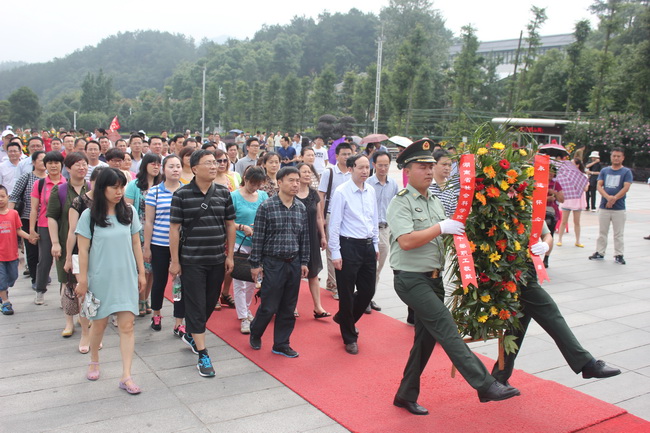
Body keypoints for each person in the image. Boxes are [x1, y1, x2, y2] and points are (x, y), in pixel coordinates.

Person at [387, 139, 521, 415]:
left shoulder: (435, 200)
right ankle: (485, 384)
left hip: (433, 280)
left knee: (424, 342)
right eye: (422, 166)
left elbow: (446, 233)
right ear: (407, 171)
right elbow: (407, 242)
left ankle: (405, 394)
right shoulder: (401, 203)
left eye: (430, 166)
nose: (428, 171)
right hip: (410, 280)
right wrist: (440, 227)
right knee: (446, 327)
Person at [491, 220, 621, 388]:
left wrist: (545, 245)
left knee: (518, 324)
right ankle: (586, 363)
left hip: (528, 270)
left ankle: (499, 376)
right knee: (549, 311)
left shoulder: (528, 201)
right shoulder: (500, 200)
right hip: (510, 272)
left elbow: (547, 234)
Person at [75, 168, 146, 394]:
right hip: (100, 278)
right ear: (101, 188)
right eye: (113, 187)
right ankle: (94, 359)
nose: (119, 191)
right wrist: (83, 280)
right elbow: (83, 250)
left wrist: (141, 273)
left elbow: (136, 244)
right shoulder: (89, 216)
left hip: (126, 277)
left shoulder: (130, 212)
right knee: (100, 324)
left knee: (127, 325)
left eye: (121, 186)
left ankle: (126, 375)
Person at [169, 150, 236, 377]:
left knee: (208, 303)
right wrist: (175, 261)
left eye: (215, 163)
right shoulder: (182, 195)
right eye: (208, 163)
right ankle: (203, 354)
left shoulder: (224, 193)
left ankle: (192, 333)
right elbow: (175, 229)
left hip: (217, 259)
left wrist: (230, 256)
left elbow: (230, 225)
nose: (214, 166)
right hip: (192, 261)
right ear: (195, 168)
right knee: (196, 305)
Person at [248, 167, 309, 358]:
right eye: (291, 180)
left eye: (297, 181)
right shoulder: (267, 206)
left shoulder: (301, 207)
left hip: (294, 262)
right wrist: (255, 264)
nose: (295, 184)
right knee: (269, 306)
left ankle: (281, 343)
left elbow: (304, 238)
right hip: (273, 263)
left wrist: (304, 261)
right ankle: (256, 331)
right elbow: (258, 238)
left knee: (288, 307)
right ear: (280, 182)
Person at [328, 154, 378, 355]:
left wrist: (375, 245)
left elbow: (373, 219)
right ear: (351, 169)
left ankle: (344, 318)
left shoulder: (371, 191)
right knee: (347, 295)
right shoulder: (342, 192)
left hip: (367, 247)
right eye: (361, 167)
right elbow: (335, 224)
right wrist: (335, 253)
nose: (365, 171)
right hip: (347, 246)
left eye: (367, 167)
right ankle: (349, 336)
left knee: (368, 291)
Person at [47, 153, 91, 338]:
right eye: (77, 165)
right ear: (68, 168)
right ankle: (68, 321)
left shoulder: (92, 188)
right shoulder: (60, 190)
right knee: (67, 282)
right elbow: (52, 217)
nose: (81, 168)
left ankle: (84, 318)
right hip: (67, 242)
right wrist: (55, 243)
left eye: (84, 165)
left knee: (85, 281)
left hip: (88, 244)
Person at [144, 155, 186, 336]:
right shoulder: (155, 192)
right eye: (171, 166)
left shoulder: (186, 191)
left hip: (181, 245)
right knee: (159, 281)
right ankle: (157, 314)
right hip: (159, 244)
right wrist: (146, 246)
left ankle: (179, 321)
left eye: (178, 166)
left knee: (180, 283)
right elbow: (149, 222)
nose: (175, 169)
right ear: (163, 169)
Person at [64, 166, 105, 351]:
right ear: (92, 181)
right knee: (83, 294)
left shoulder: (109, 202)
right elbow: (72, 231)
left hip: (102, 253)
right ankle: (85, 334)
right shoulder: (79, 202)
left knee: (100, 294)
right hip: (80, 252)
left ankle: (96, 332)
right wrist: (67, 257)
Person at [230, 167, 269, 333]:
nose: (254, 187)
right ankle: (243, 316)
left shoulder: (263, 196)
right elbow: (227, 222)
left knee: (254, 280)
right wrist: (241, 227)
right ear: (245, 178)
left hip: (258, 244)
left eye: (258, 184)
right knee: (239, 280)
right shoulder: (234, 197)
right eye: (252, 183)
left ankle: (246, 310)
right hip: (240, 243)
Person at [125, 153, 162, 316]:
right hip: (138, 231)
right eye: (152, 163)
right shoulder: (135, 185)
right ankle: (140, 300)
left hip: (159, 232)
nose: (156, 166)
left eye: (158, 164)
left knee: (154, 269)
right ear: (145, 165)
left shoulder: (163, 185)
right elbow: (127, 209)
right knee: (141, 268)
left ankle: (145, 299)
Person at [30, 151, 66, 305]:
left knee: (65, 259)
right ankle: (40, 289)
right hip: (44, 226)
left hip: (64, 226)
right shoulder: (40, 184)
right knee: (45, 259)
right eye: (50, 163)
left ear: (62, 165)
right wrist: (32, 229)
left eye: (56, 163)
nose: (53, 166)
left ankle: (65, 294)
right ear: (45, 166)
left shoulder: (67, 183)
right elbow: (34, 209)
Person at [318, 142, 353, 300]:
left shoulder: (354, 172)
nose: (347, 157)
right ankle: (335, 284)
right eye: (344, 154)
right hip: (332, 215)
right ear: (337, 156)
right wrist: (321, 218)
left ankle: (333, 281)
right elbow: (321, 195)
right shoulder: (329, 172)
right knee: (332, 249)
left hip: (349, 216)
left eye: (349, 154)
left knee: (345, 249)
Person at [365, 151, 399, 314]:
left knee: (378, 267)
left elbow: (396, 206)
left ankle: (368, 296)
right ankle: (364, 298)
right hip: (369, 231)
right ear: (374, 165)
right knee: (368, 266)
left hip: (385, 230)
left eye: (386, 165)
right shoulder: (368, 183)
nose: (383, 168)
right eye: (380, 165)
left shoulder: (393, 184)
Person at [295, 163, 329, 319]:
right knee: (294, 274)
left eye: (309, 172)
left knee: (313, 273)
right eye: (304, 172)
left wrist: (322, 236)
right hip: (294, 238)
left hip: (312, 238)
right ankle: (292, 306)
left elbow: (319, 217)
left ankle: (318, 307)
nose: (308, 174)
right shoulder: (292, 193)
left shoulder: (314, 194)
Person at [589, 147, 633, 265]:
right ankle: (600, 252)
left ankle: (619, 254)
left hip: (619, 207)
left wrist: (614, 198)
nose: (616, 158)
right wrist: (608, 198)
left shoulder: (626, 172)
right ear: (611, 157)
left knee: (618, 233)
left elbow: (626, 187)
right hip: (604, 206)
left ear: (623, 158)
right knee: (602, 231)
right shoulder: (605, 170)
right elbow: (599, 186)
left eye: (619, 156)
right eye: (614, 156)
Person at [9, 151, 46, 289]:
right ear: (34, 162)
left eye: (45, 160)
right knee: (32, 250)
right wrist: (9, 216)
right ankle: (35, 278)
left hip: (46, 219)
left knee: (45, 250)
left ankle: (42, 274)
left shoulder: (50, 178)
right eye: (40, 160)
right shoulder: (27, 177)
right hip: (26, 218)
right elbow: (13, 197)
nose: (44, 163)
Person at [0, 185, 30, 315]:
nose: (0, 199)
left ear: (8, 197)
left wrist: (30, 237)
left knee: (12, 277)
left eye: (2, 196)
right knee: (1, 280)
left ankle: (3, 291)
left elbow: (18, 230)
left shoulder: (14, 214)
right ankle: (5, 303)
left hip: (12, 254)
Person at [556, 158, 588, 248]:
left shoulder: (583, 176)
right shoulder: (566, 175)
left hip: (578, 201)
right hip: (568, 200)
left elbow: (586, 188)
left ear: (578, 165)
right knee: (563, 221)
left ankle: (578, 240)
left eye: (573, 164)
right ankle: (559, 239)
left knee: (576, 221)